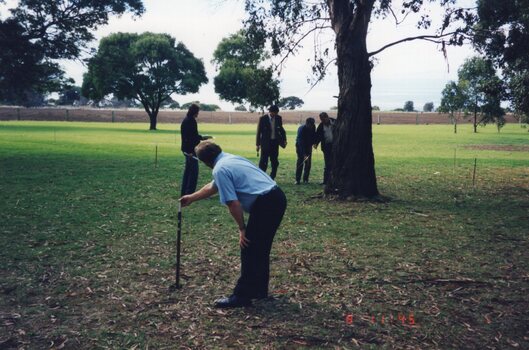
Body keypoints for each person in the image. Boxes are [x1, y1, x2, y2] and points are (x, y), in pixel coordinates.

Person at [180, 140, 287, 308]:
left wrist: (242, 229)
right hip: (276, 197)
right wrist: (191, 197)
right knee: (260, 247)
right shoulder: (228, 159)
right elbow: (213, 186)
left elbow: (233, 203)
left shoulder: (220, 168)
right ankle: (259, 290)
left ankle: (242, 296)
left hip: (266, 203)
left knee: (249, 247)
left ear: (205, 162)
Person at [180, 103, 210, 196]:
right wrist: (202, 140)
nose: (198, 114)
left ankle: (184, 191)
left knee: (188, 171)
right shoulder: (191, 121)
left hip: (186, 149)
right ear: (195, 112)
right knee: (193, 172)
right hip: (190, 151)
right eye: (198, 112)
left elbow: (192, 136)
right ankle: (190, 193)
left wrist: (202, 137)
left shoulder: (186, 120)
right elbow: (192, 138)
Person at [256, 105, 287, 180]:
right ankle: (262, 177)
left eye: (276, 113)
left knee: (275, 161)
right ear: (270, 112)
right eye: (274, 113)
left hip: (275, 143)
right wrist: (257, 144)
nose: (275, 115)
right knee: (263, 161)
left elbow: (281, 130)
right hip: (265, 144)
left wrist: (284, 140)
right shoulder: (263, 119)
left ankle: (272, 177)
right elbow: (258, 132)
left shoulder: (279, 118)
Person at [314, 112, 336, 185]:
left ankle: (335, 181)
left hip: (336, 146)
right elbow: (318, 136)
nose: (322, 121)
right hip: (326, 147)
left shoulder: (335, 122)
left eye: (323, 119)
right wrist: (316, 144)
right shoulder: (321, 126)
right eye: (321, 120)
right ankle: (326, 181)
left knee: (336, 163)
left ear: (327, 117)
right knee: (327, 165)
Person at [295, 117, 316, 184]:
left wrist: (314, 143)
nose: (311, 126)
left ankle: (305, 179)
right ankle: (297, 180)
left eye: (312, 125)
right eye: (310, 125)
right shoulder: (302, 129)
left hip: (308, 147)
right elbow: (300, 142)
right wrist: (304, 154)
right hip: (300, 147)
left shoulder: (313, 127)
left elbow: (313, 136)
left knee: (308, 163)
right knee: (300, 162)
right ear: (307, 123)